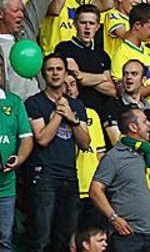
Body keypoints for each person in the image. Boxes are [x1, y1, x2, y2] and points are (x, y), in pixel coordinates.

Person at [24, 54, 91, 252]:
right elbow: (42, 139)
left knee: (65, 240)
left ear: (66, 73)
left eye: (59, 69)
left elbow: (86, 143)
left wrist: (73, 118)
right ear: (44, 74)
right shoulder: (34, 102)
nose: (54, 73)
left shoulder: (77, 106)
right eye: (50, 69)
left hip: (70, 176)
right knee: (41, 239)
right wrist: (58, 115)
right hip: (44, 176)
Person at [89, 109, 150, 251]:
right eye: (145, 122)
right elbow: (95, 190)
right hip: (127, 236)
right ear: (133, 127)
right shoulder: (114, 156)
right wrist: (114, 218)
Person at [0, 62, 32, 252]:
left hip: (6, 186)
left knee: (5, 240)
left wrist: (19, 159)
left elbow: (26, 138)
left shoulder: (14, 102)